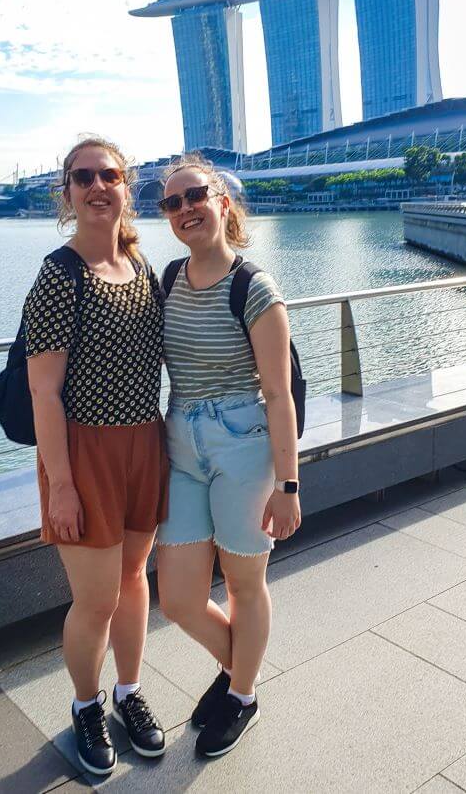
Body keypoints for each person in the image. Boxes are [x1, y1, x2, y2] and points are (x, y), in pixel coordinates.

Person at [24, 137, 168, 775]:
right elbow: (43, 391)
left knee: (136, 580)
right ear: (68, 192)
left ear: (127, 185)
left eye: (109, 174)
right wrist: (60, 486)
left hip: (145, 441)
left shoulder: (140, 264)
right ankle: (87, 704)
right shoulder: (60, 274)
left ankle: (127, 691)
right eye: (83, 177)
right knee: (95, 600)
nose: (97, 185)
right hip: (83, 451)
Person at [156, 154, 301, 758]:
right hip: (181, 439)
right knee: (180, 597)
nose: (186, 208)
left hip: (244, 442)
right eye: (172, 202)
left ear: (222, 202)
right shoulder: (167, 278)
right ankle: (240, 671)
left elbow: (278, 393)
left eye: (196, 195)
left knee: (244, 583)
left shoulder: (255, 286)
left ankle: (241, 694)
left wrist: (287, 486)